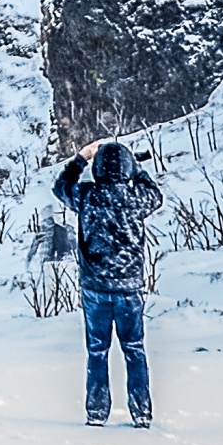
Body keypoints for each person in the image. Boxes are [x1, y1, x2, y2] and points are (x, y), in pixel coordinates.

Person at [52, 137, 163, 428]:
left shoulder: (87, 196)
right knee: (135, 349)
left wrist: (81, 158)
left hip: (95, 288)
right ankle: (141, 413)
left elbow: (60, 186)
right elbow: (155, 193)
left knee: (97, 351)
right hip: (130, 289)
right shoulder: (136, 199)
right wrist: (137, 168)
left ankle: (97, 412)